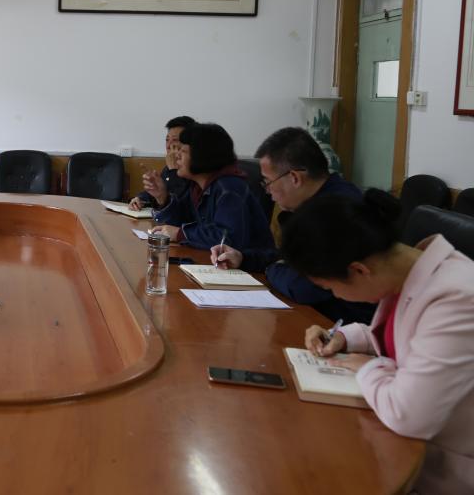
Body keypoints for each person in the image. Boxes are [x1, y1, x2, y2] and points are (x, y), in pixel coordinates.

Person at [282, 189, 474, 494]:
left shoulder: (458, 298)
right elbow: (408, 338)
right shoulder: (410, 272)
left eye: (330, 288)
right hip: (406, 447)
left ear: (359, 270)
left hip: (445, 471)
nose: (335, 295)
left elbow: (407, 414)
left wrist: (367, 367)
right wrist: (343, 337)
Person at [210, 127, 375, 324]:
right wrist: (243, 258)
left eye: (268, 182)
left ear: (295, 178)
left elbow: (303, 287)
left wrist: (272, 269)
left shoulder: (337, 212)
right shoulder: (315, 201)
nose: (268, 192)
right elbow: (288, 260)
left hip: (342, 325)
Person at [150, 122, 274, 252]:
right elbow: (181, 219)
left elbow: (227, 239)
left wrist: (180, 234)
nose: (177, 155)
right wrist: (162, 197)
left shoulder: (229, 188)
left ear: (202, 156)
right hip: (211, 260)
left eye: (183, 151)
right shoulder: (197, 186)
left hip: (249, 264)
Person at [129, 115, 196, 210]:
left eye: (175, 140)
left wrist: (173, 171)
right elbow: (159, 192)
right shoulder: (168, 167)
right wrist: (140, 199)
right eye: (167, 140)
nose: (168, 146)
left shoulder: (194, 170)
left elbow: (180, 205)